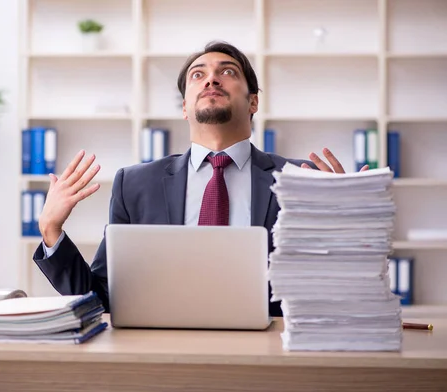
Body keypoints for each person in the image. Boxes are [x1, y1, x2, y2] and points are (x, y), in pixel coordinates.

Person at [32, 41, 368, 317]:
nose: (211, 79)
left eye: (227, 71)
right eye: (198, 74)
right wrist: (51, 231)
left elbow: (336, 290)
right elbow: (100, 301)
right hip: (165, 357)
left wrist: (345, 227)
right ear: (184, 107)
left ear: (253, 102)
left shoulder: (303, 180)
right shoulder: (135, 185)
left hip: (273, 356)